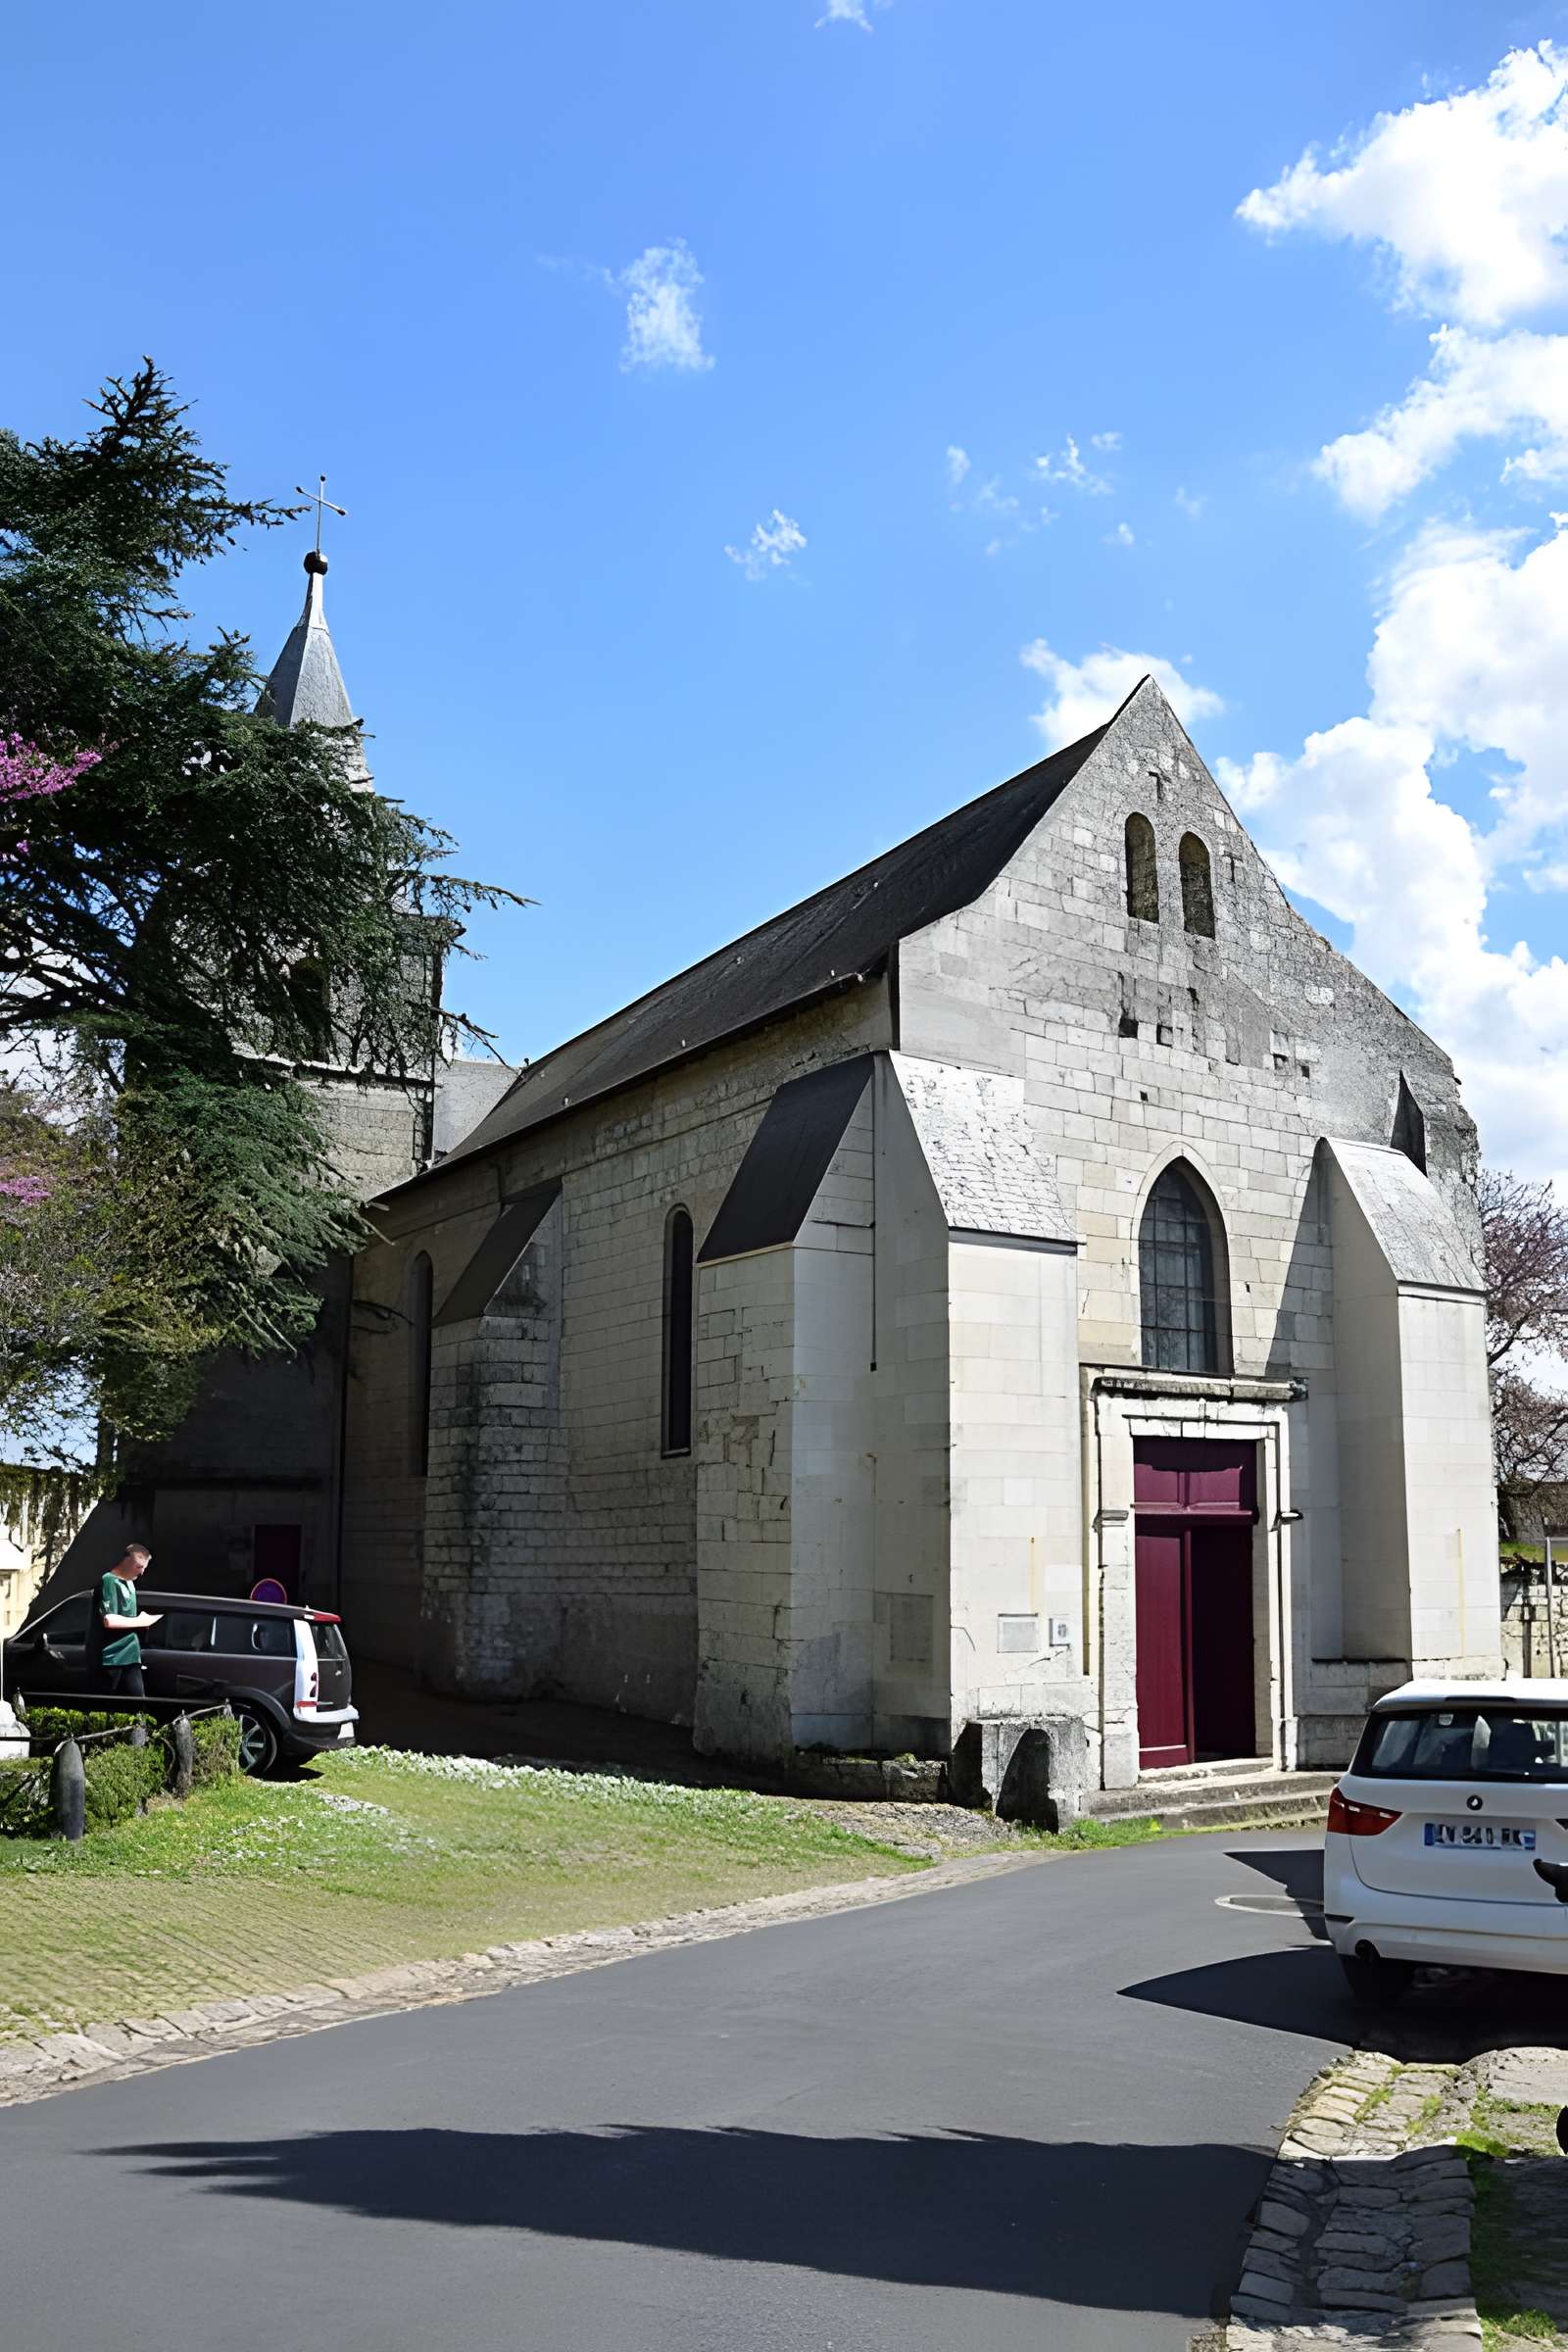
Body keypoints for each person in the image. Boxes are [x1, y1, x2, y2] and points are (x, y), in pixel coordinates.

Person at [95, 1544, 161, 1698]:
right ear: (126, 1562)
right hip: (113, 1657)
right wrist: (141, 1621)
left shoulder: (130, 1584)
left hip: (130, 1654)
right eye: (139, 1567)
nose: (142, 1572)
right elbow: (109, 1620)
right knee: (107, 1706)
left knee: (138, 1704)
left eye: (144, 1567)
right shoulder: (109, 1581)